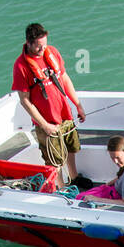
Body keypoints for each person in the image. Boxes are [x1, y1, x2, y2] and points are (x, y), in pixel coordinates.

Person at [12, 23, 87, 188]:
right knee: (54, 158)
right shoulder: (21, 67)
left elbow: (65, 78)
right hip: (47, 121)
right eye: (38, 47)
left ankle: (74, 176)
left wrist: (78, 105)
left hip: (64, 114)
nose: (42, 49)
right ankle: (60, 187)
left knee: (71, 147)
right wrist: (44, 125)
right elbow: (24, 100)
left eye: (44, 45)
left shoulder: (52, 52)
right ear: (28, 43)